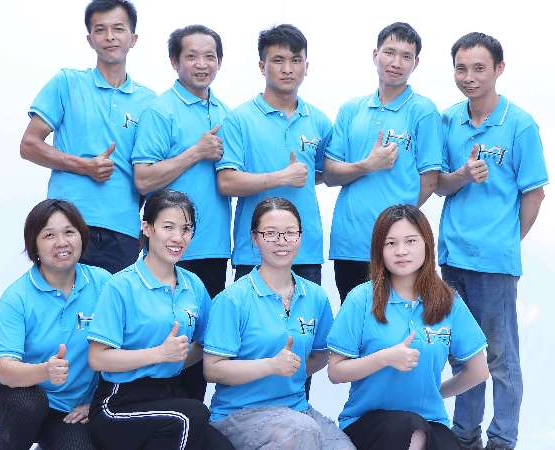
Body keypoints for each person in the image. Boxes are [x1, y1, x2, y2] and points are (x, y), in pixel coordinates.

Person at [436, 32, 548, 450]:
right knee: (463, 355)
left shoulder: (519, 124)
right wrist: (463, 175)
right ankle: (465, 436)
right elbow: (440, 185)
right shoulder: (448, 121)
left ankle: (502, 439)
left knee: (500, 357)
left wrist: (506, 240)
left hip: (495, 263)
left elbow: (534, 194)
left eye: (479, 68)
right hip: (453, 258)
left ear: (499, 69)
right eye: (461, 69)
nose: (469, 77)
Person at [327, 204, 489, 450]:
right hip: (367, 422)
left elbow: (478, 371)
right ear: (379, 250)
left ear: (427, 244)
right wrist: (384, 358)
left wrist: (435, 393)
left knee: (430, 436)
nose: (401, 251)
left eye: (411, 241)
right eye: (390, 243)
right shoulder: (361, 299)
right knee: (411, 432)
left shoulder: (449, 301)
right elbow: (335, 372)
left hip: (430, 421)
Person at [86, 189, 233, 450]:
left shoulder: (193, 285)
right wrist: (158, 354)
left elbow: (205, 343)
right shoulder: (121, 285)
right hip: (119, 403)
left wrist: (175, 359)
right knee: (191, 416)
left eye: (186, 229)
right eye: (168, 227)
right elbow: (98, 358)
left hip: (169, 395)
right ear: (147, 228)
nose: (178, 238)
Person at [203, 198, 354, 450]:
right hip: (238, 414)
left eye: (289, 233)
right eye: (270, 233)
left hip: (296, 408)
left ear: (300, 237)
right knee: (300, 432)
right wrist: (271, 366)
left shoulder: (315, 296)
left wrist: (294, 369)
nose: (281, 241)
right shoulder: (232, 299)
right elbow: (212, 369)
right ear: (255, 238)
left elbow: (321, 354)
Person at [19, 0, 157, 274]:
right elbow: (29, 145)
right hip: (67, 224)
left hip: (124, 230)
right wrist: (85, 166)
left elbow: (149, 171)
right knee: (63, 300)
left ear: (133, 39)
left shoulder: (150, 102)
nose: (110, 37)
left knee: (115, 303)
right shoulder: (67, 82)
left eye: (118, 29)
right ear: (90, 39)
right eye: (100, 30)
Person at [132, 24, 230, 401]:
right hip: (168, 248)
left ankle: (190, 421)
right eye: (191, 56)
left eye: (209, 56)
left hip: (213, 248)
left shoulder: (225, 112)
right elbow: (143, 178)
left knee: (201, 346)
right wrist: (196, 152)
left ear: (219, 62)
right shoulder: (160, 111)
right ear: (175, 62)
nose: (201, 64)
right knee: (161, 338)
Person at [324, 22, 442, 303]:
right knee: (354, 320)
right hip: (349, 242)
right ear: (375, 55)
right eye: (389, 52)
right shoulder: (351, 110)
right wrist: (367, 165)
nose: (396, 62)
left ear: (416, 62)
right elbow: (329, 173)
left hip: (396, 246)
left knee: (395, 319)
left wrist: (398, 224)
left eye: (406, 56)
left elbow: (430, 181)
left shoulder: (423, 111)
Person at [0, 199, 111, 450]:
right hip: (19, 395)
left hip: (69, 410)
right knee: (28, 404)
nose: (62, 242)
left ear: (81, 236)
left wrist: (96, 404)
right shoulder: (17, 297)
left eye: (69, 232)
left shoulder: (103, 283)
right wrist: (45, 371)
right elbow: (6, 370)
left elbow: (121, 349)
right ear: (34, 245)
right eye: (49, 235)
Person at [216, 24, 331, 285]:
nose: (287, 69)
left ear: (306, 67)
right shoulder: (239, 119)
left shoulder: (319, 121)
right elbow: (226, 182)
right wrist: (282, 177)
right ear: (262, 66)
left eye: (296, 60)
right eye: (278, 60)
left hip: (305, 251)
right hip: (254, 251)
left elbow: (326, 172)